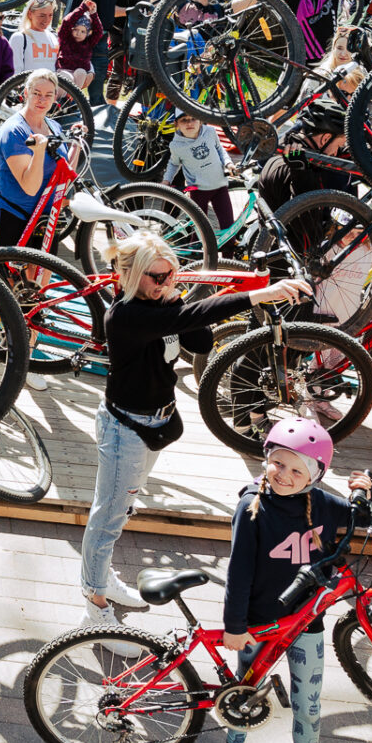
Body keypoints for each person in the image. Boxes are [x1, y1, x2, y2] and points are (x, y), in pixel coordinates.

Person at [81, 231, 309, 626]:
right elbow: (198, 319)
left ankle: (100, 580)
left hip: (150, 425)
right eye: (158, 277)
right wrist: (259, 295)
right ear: (133, 277)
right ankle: (94, 604)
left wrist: (174, 295)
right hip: (126, 431)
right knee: (108, 517)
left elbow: (200, 340)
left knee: (120, 509)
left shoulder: (160, 303)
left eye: (173, 274)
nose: (168, 282)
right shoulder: (126, 316)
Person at [213, 419, 372, 743]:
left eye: (297, 469)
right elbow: (238, 572)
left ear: (315, 475)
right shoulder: (251, 507)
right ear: (266, 458)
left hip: (306, 622)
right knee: (242, 693)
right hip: (258, 623)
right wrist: (234, 625)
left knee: (309, 704)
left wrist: (365, 494)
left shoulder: (321, 504)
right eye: (278, 463)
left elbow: (361, 519)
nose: (284, 475)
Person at [0, 70, 68, 247]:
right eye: (36, 94)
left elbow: (65, 173)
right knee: (9, 275)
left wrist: (77, 144)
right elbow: (30, 188)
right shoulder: (14, 131)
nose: (42, 100)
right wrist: (39, 152)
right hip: (16, 213)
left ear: (55, 96)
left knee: (44, 273)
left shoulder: (54, 126)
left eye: (48, 95)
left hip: (47, 215)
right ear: (26, 93)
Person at [161, 113, 234, 231]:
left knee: (228, 226)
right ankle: (194, 248)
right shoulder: (176, 145)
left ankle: (229, 248)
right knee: (199, 229)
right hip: (198, 190)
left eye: (193, 118)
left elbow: (220, 148)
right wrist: (166, 180)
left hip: (220, 185)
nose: (189, 123)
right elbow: (174, 163)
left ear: (201, 121)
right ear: (176, 124)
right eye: (184, 120)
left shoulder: (210, 132)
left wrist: (228, 163)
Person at [55, 0, 105, 93]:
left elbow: (99, 32)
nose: (78, 33)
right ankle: (58, 100)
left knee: (81, 72)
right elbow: (66, 22)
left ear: (87, 33)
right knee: (66, 77)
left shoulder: (89, 43)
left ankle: (73, 98)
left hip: (79, 73)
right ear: (72, 29)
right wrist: (82, 8)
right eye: (76, 30)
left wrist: (93, 14)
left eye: (83, 31)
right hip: (64, 70)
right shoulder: (66, 38)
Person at [9, 0, 60, 73]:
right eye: (42, 15)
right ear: (30, 14)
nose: (47, 20)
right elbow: (14, 72)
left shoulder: (53, 37)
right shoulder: (19, 38)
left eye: (50, 15)